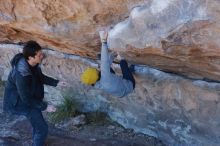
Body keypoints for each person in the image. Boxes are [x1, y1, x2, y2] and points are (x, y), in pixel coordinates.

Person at [3, 40, 67, 146]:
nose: (42, 56)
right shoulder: (21, 74)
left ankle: (37, 142)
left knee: (38, 126)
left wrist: (57, 82)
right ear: (30, 57)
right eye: (39, 55)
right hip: (18, 102)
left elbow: (40, 78)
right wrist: (45, 106)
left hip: (28, 99)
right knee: (42, 128)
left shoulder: (32, 64)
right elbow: (26, 98)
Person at [81, 31, 135, 97]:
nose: (97, 69)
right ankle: (129, 70)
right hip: (128, 87)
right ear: (97, 75)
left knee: (106, 68)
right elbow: (105, 61)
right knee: (122, 63)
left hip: (119, 93)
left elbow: (105, 67)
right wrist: (104, 41)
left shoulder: (95, 84)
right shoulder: (105, 76)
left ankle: (127, 72)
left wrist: (112, 56)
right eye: (96, 70)